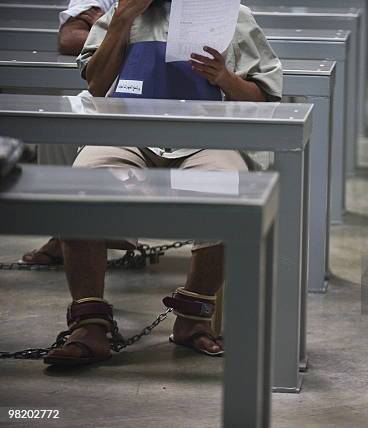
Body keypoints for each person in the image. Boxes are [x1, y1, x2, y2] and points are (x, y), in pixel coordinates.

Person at [43, 0, 282, 366]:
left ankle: (194, 315)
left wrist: (224, 78)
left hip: (205, 139)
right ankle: (89, 322)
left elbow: (264, 97)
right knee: (80, 187)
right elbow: (96, 84)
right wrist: (123, 19)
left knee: (230, 189)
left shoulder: (232, 15)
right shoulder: (121, 14)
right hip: (125, 136)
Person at [22, 0, 116, 265]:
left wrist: (107, 27)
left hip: (184, 90)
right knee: (62, 118)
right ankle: (62, 232)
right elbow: (69, 38)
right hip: (113, 87)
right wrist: (123, 29)